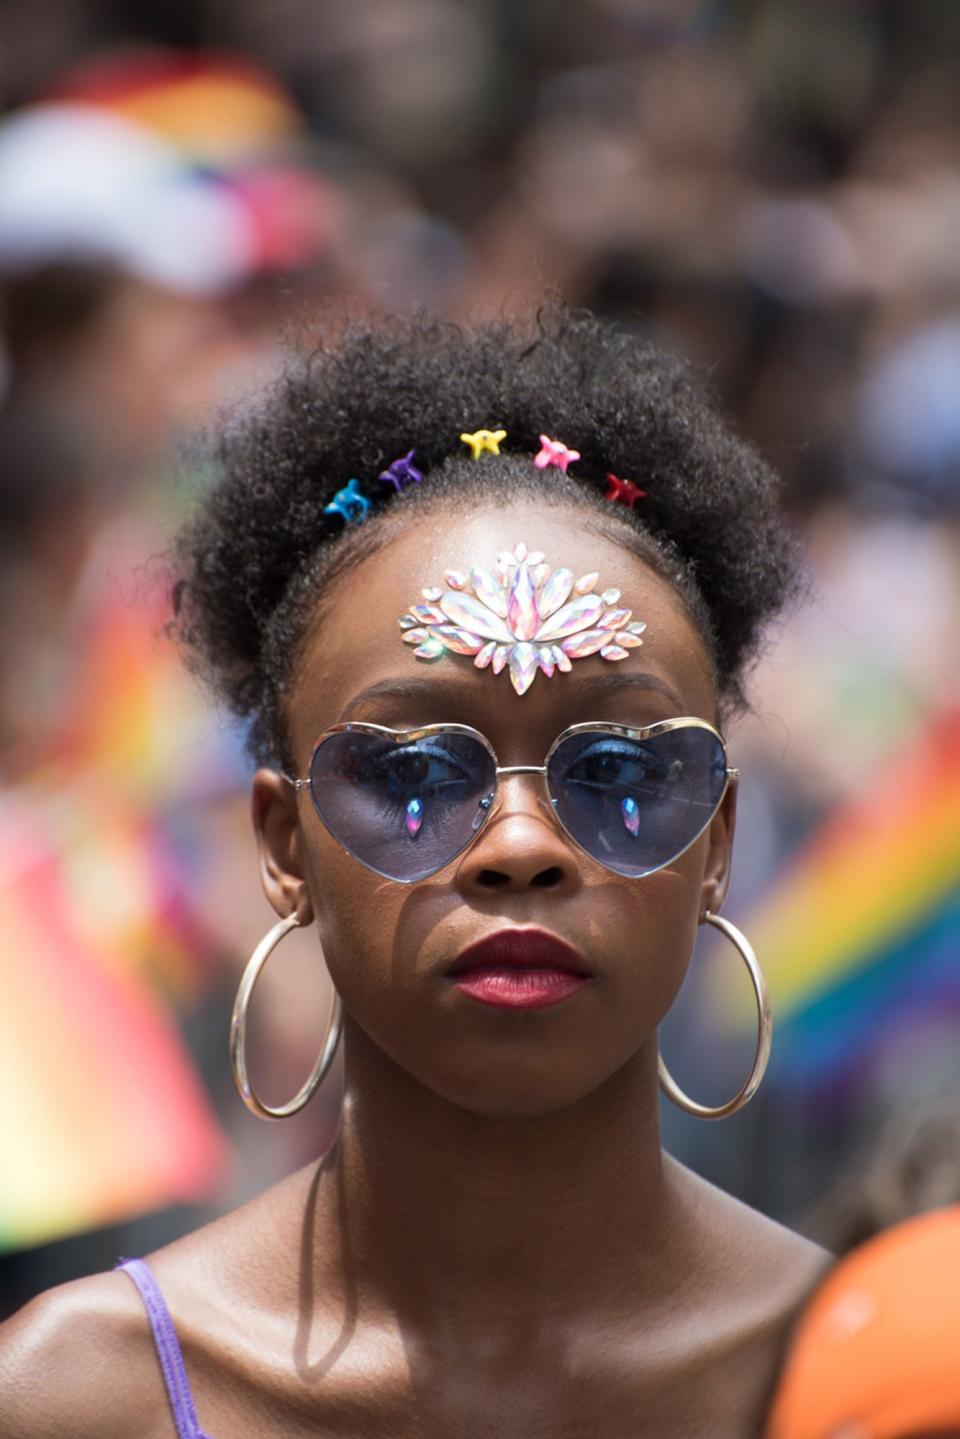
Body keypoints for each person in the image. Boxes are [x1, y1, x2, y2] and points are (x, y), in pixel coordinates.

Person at [0, 306, 829, 1437]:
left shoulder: (874, 1384)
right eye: (415, 771)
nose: (523, 846)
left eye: (621, 768)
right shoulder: (75, 1398)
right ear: (284, 848)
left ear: (718, 843)